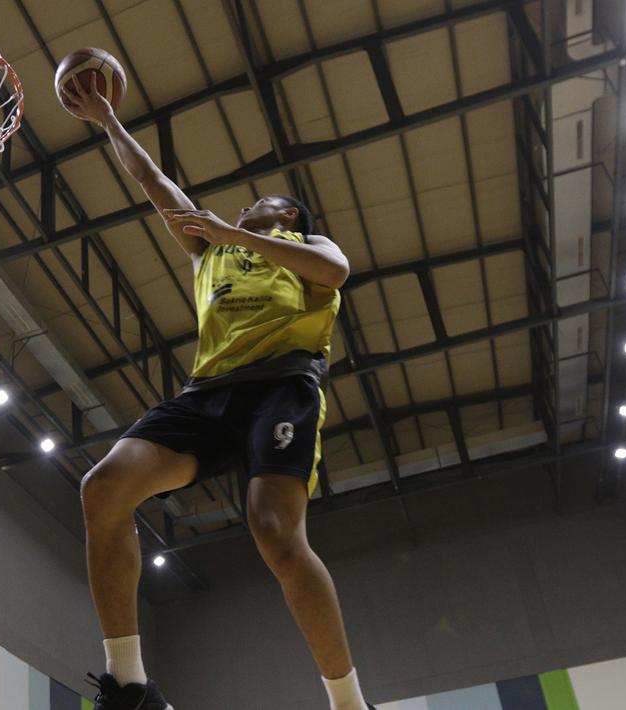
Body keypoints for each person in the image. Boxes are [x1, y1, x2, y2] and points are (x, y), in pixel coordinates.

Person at [63, 78, 376, 710]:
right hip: (207, 393)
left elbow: (336, 272)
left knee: (275, 534)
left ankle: (349, 704)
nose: (246, 205)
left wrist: (237, 235)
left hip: (281, 386)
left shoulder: (306, 245)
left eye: (263, 200)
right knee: (103, 487)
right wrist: (107, 122)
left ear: (289, 215)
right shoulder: (209, 247)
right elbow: (151, 178)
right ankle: (129, 684)